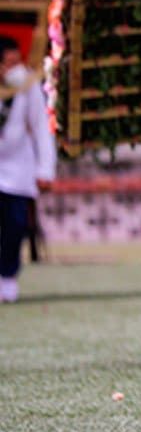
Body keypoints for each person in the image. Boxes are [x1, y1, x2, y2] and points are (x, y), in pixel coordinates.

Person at [0, 36, 56, 304]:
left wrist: (45, 169)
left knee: (15, 225)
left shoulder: (27, 85)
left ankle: (7, 277)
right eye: (10, 63)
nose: (16, 68)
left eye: (17, 61)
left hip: (17, 170)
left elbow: (41, 128)